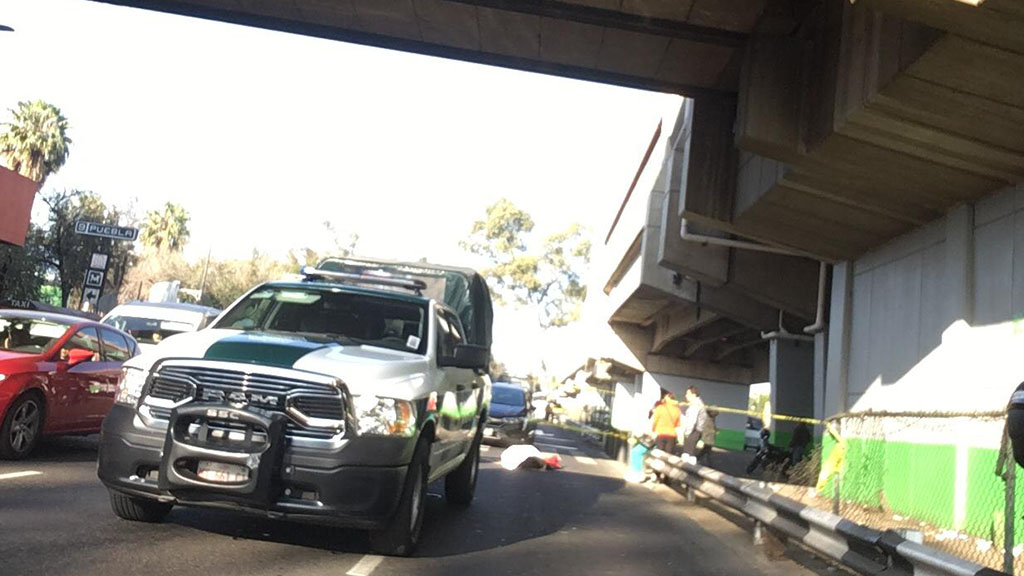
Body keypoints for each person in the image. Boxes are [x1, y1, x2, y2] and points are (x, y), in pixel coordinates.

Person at [650, 389, 681, 454]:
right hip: (672, 435)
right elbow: (677, 424)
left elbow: (655, 421)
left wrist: (653, 431)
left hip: (661, 433)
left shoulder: (660, 408)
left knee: (659, 454)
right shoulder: (677, 410)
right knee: (668, 455)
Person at [681, 386, 707, 456]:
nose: (686, 396)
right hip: (696, 430)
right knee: (690, 452)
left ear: (694, 395)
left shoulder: (695, 404)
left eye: (688, 394)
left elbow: (692, 420)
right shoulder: (698, 403)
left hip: (693, 431)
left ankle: (687, 466)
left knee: (687, 453)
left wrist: (687, 432)